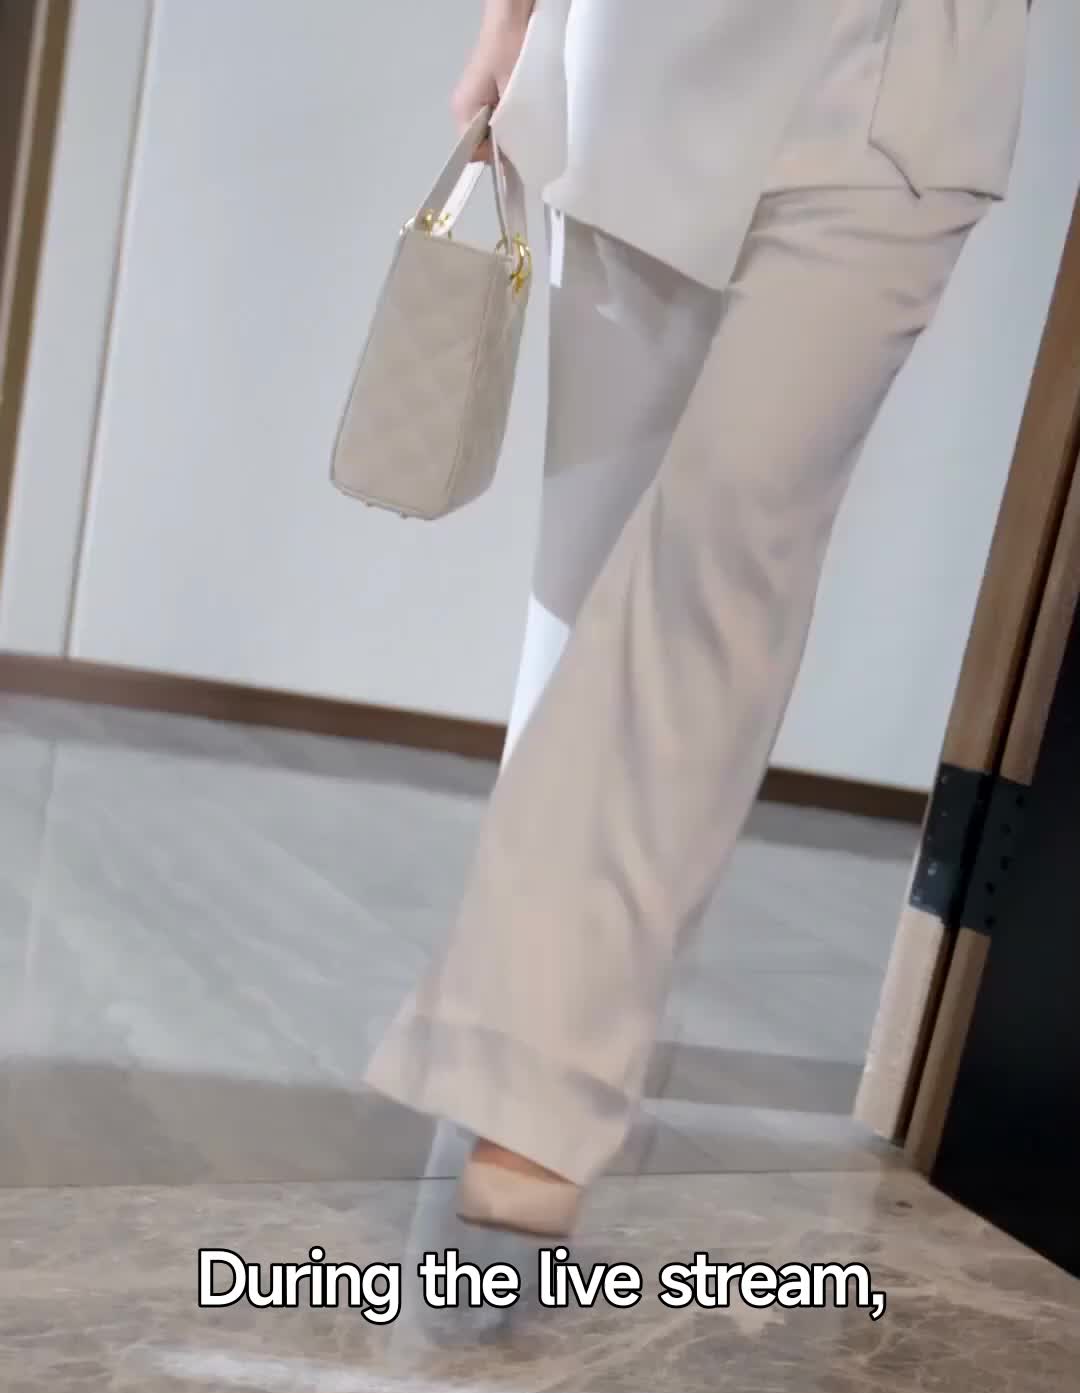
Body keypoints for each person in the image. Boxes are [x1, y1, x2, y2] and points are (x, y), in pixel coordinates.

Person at [365, 0, 1031, 1236]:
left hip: (904, 93)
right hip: (641, 68)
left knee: (729, 549)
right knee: (580, 599)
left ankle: (535, 1074)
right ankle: (543, 1033)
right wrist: (508, 21)